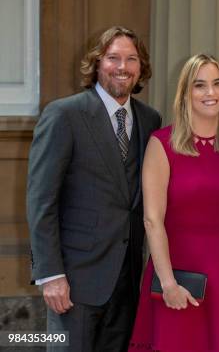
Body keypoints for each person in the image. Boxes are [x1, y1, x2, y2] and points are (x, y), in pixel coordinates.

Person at [27, 26, 162, 351]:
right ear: (97, 63)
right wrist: (50, 275)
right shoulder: (63, 115)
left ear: (140, 67)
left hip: (127, 281)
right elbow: (41, 201)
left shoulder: (150, 120)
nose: (122, 67)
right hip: (74, 283)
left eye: (131, 59)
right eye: (113, 57)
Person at [128, 54, 219, 351]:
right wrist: (167, 283)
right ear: (186, 93)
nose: (210, 93)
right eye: (200, 85)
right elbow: (152, 219)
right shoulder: (162, 143)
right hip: (178, 274)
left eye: (217, 84)